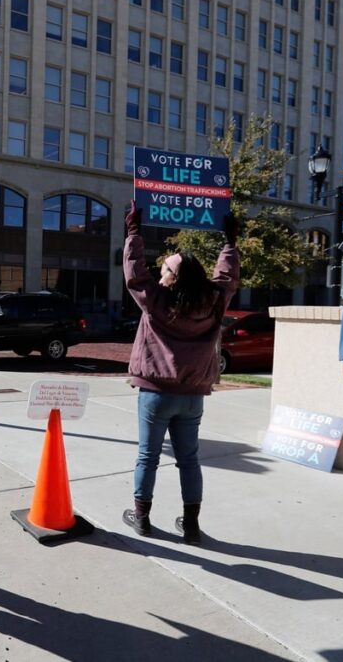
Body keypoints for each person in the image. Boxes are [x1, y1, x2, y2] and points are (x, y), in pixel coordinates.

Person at [121, 203, 239, 544]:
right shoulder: (214, 301)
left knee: (148, 455)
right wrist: (229, 243)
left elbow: (134, 274)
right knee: (189, 460)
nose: (160, 276)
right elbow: (227, 278)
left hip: (156, 392)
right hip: (192, 397)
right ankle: (190, 525)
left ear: (174, 278)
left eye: (165, 271)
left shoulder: (156, 300)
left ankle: (141, 518)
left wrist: (134, 233)